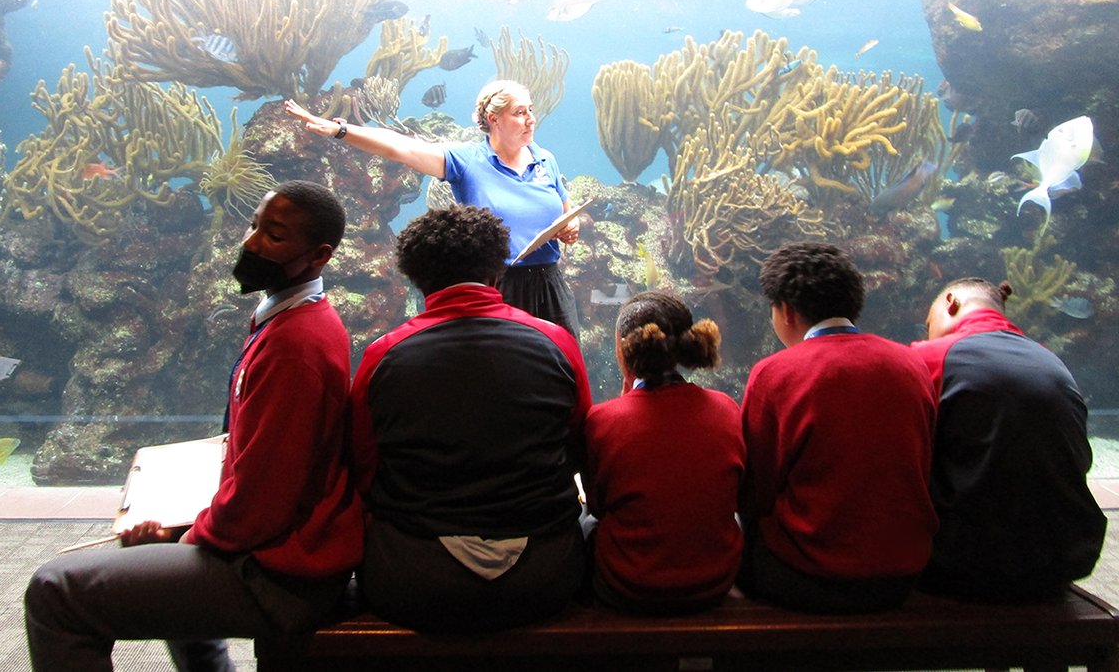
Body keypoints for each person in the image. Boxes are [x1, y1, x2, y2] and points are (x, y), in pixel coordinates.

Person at [25, 181, 363, 672]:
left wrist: (185, 537)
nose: (250, 244)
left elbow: (263, 501)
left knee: (56, 591)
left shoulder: (296, 345)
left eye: (274, 235)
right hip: (269, 547)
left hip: (278, 574)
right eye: (253, 226)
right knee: (154, 562)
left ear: (319, 255)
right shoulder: (287, 318)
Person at [349, 203, 592, 633]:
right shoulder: (555, 342)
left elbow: (365, 467)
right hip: (545, 574)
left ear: (417, 280)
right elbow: (578, 445)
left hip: (414, 578)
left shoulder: (382, 355)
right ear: (498, 272)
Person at [285, 78, 582, 337]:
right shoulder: (466, 160)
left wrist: (571, 227)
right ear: (493, 118)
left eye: (531, 110)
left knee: (564, 367)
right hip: (497, 287)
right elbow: (400, 147)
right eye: (519, 112)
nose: (531, 119)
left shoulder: (545, 159)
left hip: (549, 284)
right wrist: (341, 129)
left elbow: (566, 213)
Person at [738, 242, 938, 613]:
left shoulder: (776, 373)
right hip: (904, 573)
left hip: (807, 573)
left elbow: (755, 493)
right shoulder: (910, 365)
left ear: (786, 310)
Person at [912, 277, 1106, 601]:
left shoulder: (932, 356)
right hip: (1064, 560)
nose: (929, 333)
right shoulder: (1050, 361)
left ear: (951, 303)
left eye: (929, 323)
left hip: (962, 567)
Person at [583, 290, 744, 614]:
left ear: (625, 349)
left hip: (627, 586)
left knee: (583, 523)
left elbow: (599, 505)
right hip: (716, 582)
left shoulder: (603, 421)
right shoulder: (726, 409)